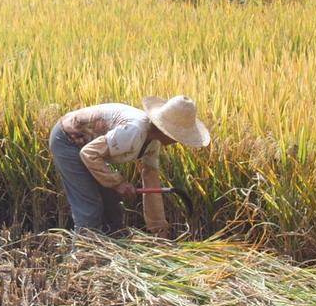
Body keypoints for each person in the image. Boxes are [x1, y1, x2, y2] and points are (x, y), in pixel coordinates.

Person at [48, 95, 210, 244]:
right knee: (90, 209)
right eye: (178, 136)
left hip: (89, 149)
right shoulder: (134, 131)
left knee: (112, 206)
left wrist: (159, 231)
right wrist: (118, 183)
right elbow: (89, 154)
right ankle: (83, 261)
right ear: (165, 130)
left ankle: (113, 256)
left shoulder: (153, 142)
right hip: (68, 141)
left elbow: (151, 180)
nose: (178, 141)